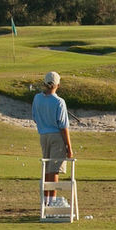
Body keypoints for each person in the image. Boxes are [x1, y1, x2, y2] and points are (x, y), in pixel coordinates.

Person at [31, 71, 74, 208]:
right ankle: (53, 202)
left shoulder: (37, 98)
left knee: (47, 168)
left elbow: (35, 118)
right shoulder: (59, 102)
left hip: (43, 136)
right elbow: (63, 126)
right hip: (57, 136)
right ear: (58, 85)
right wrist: (69, 147)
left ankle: (46, 201)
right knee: (54, 169)